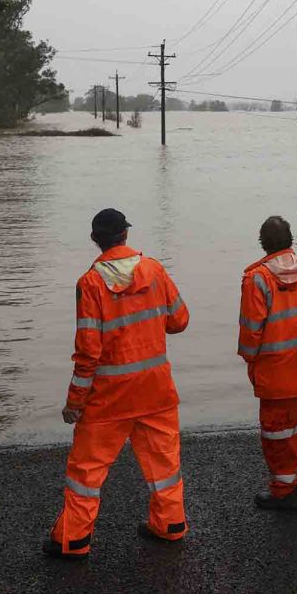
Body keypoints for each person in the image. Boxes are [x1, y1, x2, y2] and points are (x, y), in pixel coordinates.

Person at [43, 209, 190, 559]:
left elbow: (88, 351)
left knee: (87, 471)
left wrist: (75, 401)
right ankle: (170, 526)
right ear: (125, 235)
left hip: (108, 398)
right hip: (155, 390)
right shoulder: (154, 269)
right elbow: (180, 320)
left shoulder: (90, 283)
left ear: (96, 240)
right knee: (164, 465)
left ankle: (74, 541)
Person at [239, 215, 297, 510]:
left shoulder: (258, 279)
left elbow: (250, 331)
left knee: (279, 437)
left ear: (262, 243)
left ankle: (284, 491)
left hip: (277, 375)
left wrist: (250, 362)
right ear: (291, 239)